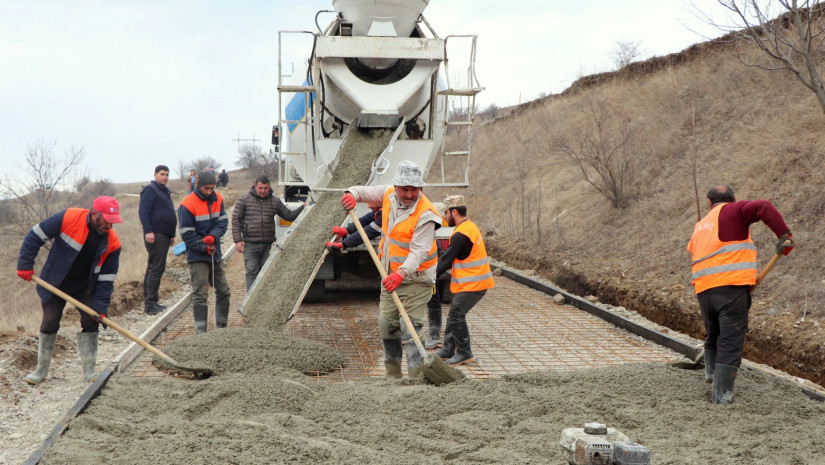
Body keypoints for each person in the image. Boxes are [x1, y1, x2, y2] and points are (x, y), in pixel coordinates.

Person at [687, 185, 794, 404]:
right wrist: (784, 235)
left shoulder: (700, 227)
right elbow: (763, 206)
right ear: (733, 200)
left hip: (704, 292)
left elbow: (698, 253)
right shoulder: (733, 211)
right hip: (731, 291)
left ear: (709, 203)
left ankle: (711, 375)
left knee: (714, 334)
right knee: (730, 341)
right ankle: (721, 396)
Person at [342, 161, 442, 380]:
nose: (409, 194)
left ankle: (416, 378)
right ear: (396, 186)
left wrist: (401, 274)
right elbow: (364, 192)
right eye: (404, 189)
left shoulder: (426, 215)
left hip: (416, 278)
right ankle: (393, 376)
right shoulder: (388, 195)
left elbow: (418, 252)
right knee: (387, 325)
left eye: (414, 189)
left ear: (419, 188)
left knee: (411, 328)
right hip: (389, 275)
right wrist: (351, 194)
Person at [16, 196, 123, 384]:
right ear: (94, 214)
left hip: (85, 286)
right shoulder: (69, 217)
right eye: (107, 220)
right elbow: (35, 235)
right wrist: (25, 264)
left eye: (113, 221)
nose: (110, 225)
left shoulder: (113, 243)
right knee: (50, 321)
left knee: (91, 321)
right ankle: (41, 370)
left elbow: (106, 279)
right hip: (55, 281)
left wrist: (100, 306)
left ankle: (90, 371)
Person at [434, 195, 495, 365]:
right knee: (454, 314)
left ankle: (464, 353)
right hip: (472, 282)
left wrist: (430, 278)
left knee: (456, 315)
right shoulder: (469, 226)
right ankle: (448, 349)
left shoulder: (461, 234)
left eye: (446, 213)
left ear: (454, 211)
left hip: (474, 283)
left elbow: (446, 260)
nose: (444, 218)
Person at [232, 176, 305, 291]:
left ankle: (261, 300)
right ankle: (249, 303)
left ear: (269, 187)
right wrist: (237, 240)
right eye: (260, 188)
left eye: (265, 188)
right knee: (251, 272)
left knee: (265, 274)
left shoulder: (274, 201)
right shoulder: (244, 199)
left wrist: (303, 207)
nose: (263, 190)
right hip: (250, 244)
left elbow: (289, 216)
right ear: (255, 186)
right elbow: (236, 219)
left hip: (267, 245)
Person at [179, 170, 230, 334]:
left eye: (212, 188)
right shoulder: (187, 205)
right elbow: (187, 234)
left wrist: (213, 237)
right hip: (197, 255)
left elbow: (223, 222)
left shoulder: (218, 199)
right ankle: (201, 333)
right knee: (200, 295)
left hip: (214, 252)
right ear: (199, 186)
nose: (209, 192)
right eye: (206, 188)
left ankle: (221, 329)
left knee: (224, 291)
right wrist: (203, 246)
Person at [139, 165, 177, 315]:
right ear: (155, 175)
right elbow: (144, 212)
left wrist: (171, 234)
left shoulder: (164, 191)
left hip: (164, 234)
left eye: (167, 174)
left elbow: (167, 213)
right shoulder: (150, 190)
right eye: (162, 174)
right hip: (155, 234)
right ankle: (150, 304)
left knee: (153, 267)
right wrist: (149, 230)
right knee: (157, 268)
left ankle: (150, 301)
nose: (165, 177)